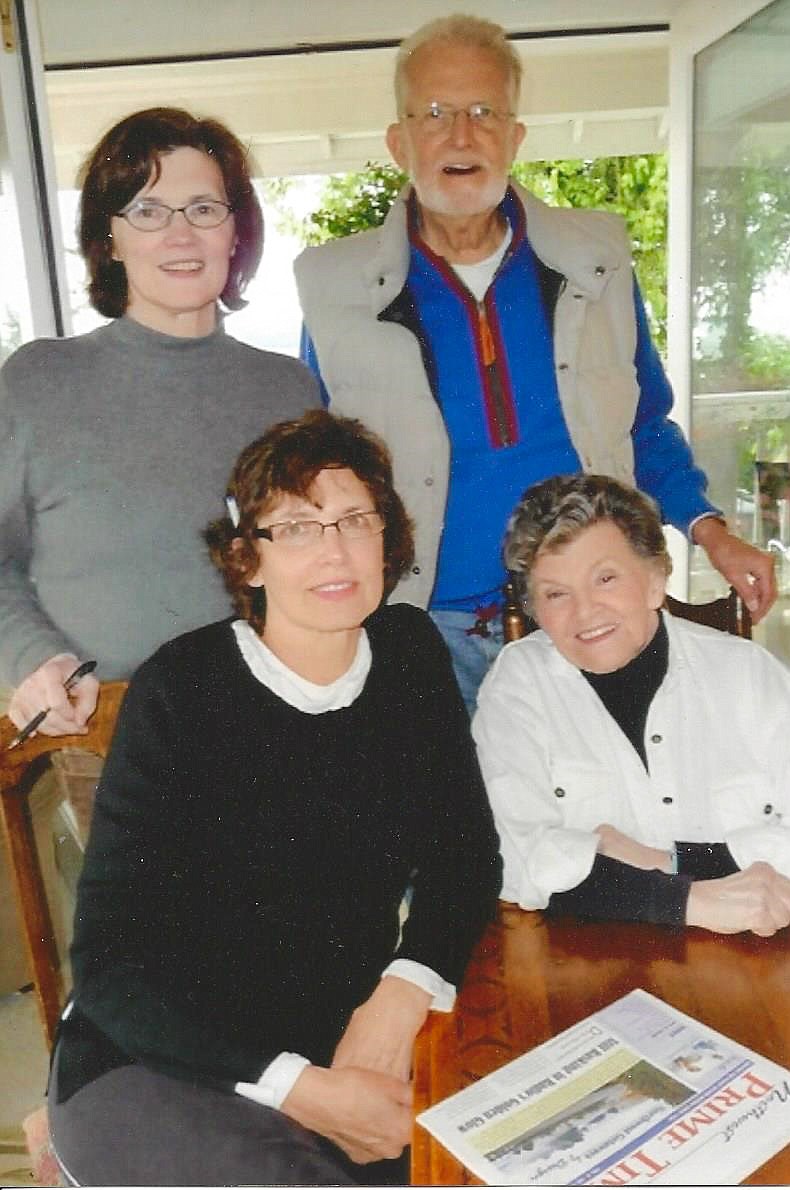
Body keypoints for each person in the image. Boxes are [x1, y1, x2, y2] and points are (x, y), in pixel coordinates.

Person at [47, 409, 502, 1187]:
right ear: (246, 561)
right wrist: (307, 1091)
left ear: (387, 541)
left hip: (340, 1038)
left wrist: (400, 993)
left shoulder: (409, 654)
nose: (333, 549)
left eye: (354, 519)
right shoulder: (183, 690)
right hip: (164, 1060)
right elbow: (112, 967)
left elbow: (464, 857)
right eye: (293, 527)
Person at [294, 13, 775, 709]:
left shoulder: (597, 259)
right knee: (455, 822)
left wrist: (712, 531)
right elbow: (321, 476)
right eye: (435, 114)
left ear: (515, 137)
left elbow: (644, 425)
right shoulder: (334, 292)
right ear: (400, 142)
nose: (462, 135)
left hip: (589, 616)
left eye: (484, 111)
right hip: (427, 635)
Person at [0, 105, 318, 736]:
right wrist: (34, 660)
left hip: (269, 735)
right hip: (98, 741)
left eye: (204, 209)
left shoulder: (288, 389)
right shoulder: (38, 381)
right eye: (147, 211)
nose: (181, 235)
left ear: (236, 232)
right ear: (110, 238)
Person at [473, 472, 790, 937]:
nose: (585, 613)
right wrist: (688, 901)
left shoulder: (748, 674)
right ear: (536, 610)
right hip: (587, 962)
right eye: (556, 594)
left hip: (756, 955)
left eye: (605, 579)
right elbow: (516, 859)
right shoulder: (519, 684)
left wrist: (664, 860)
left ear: (655, 580)